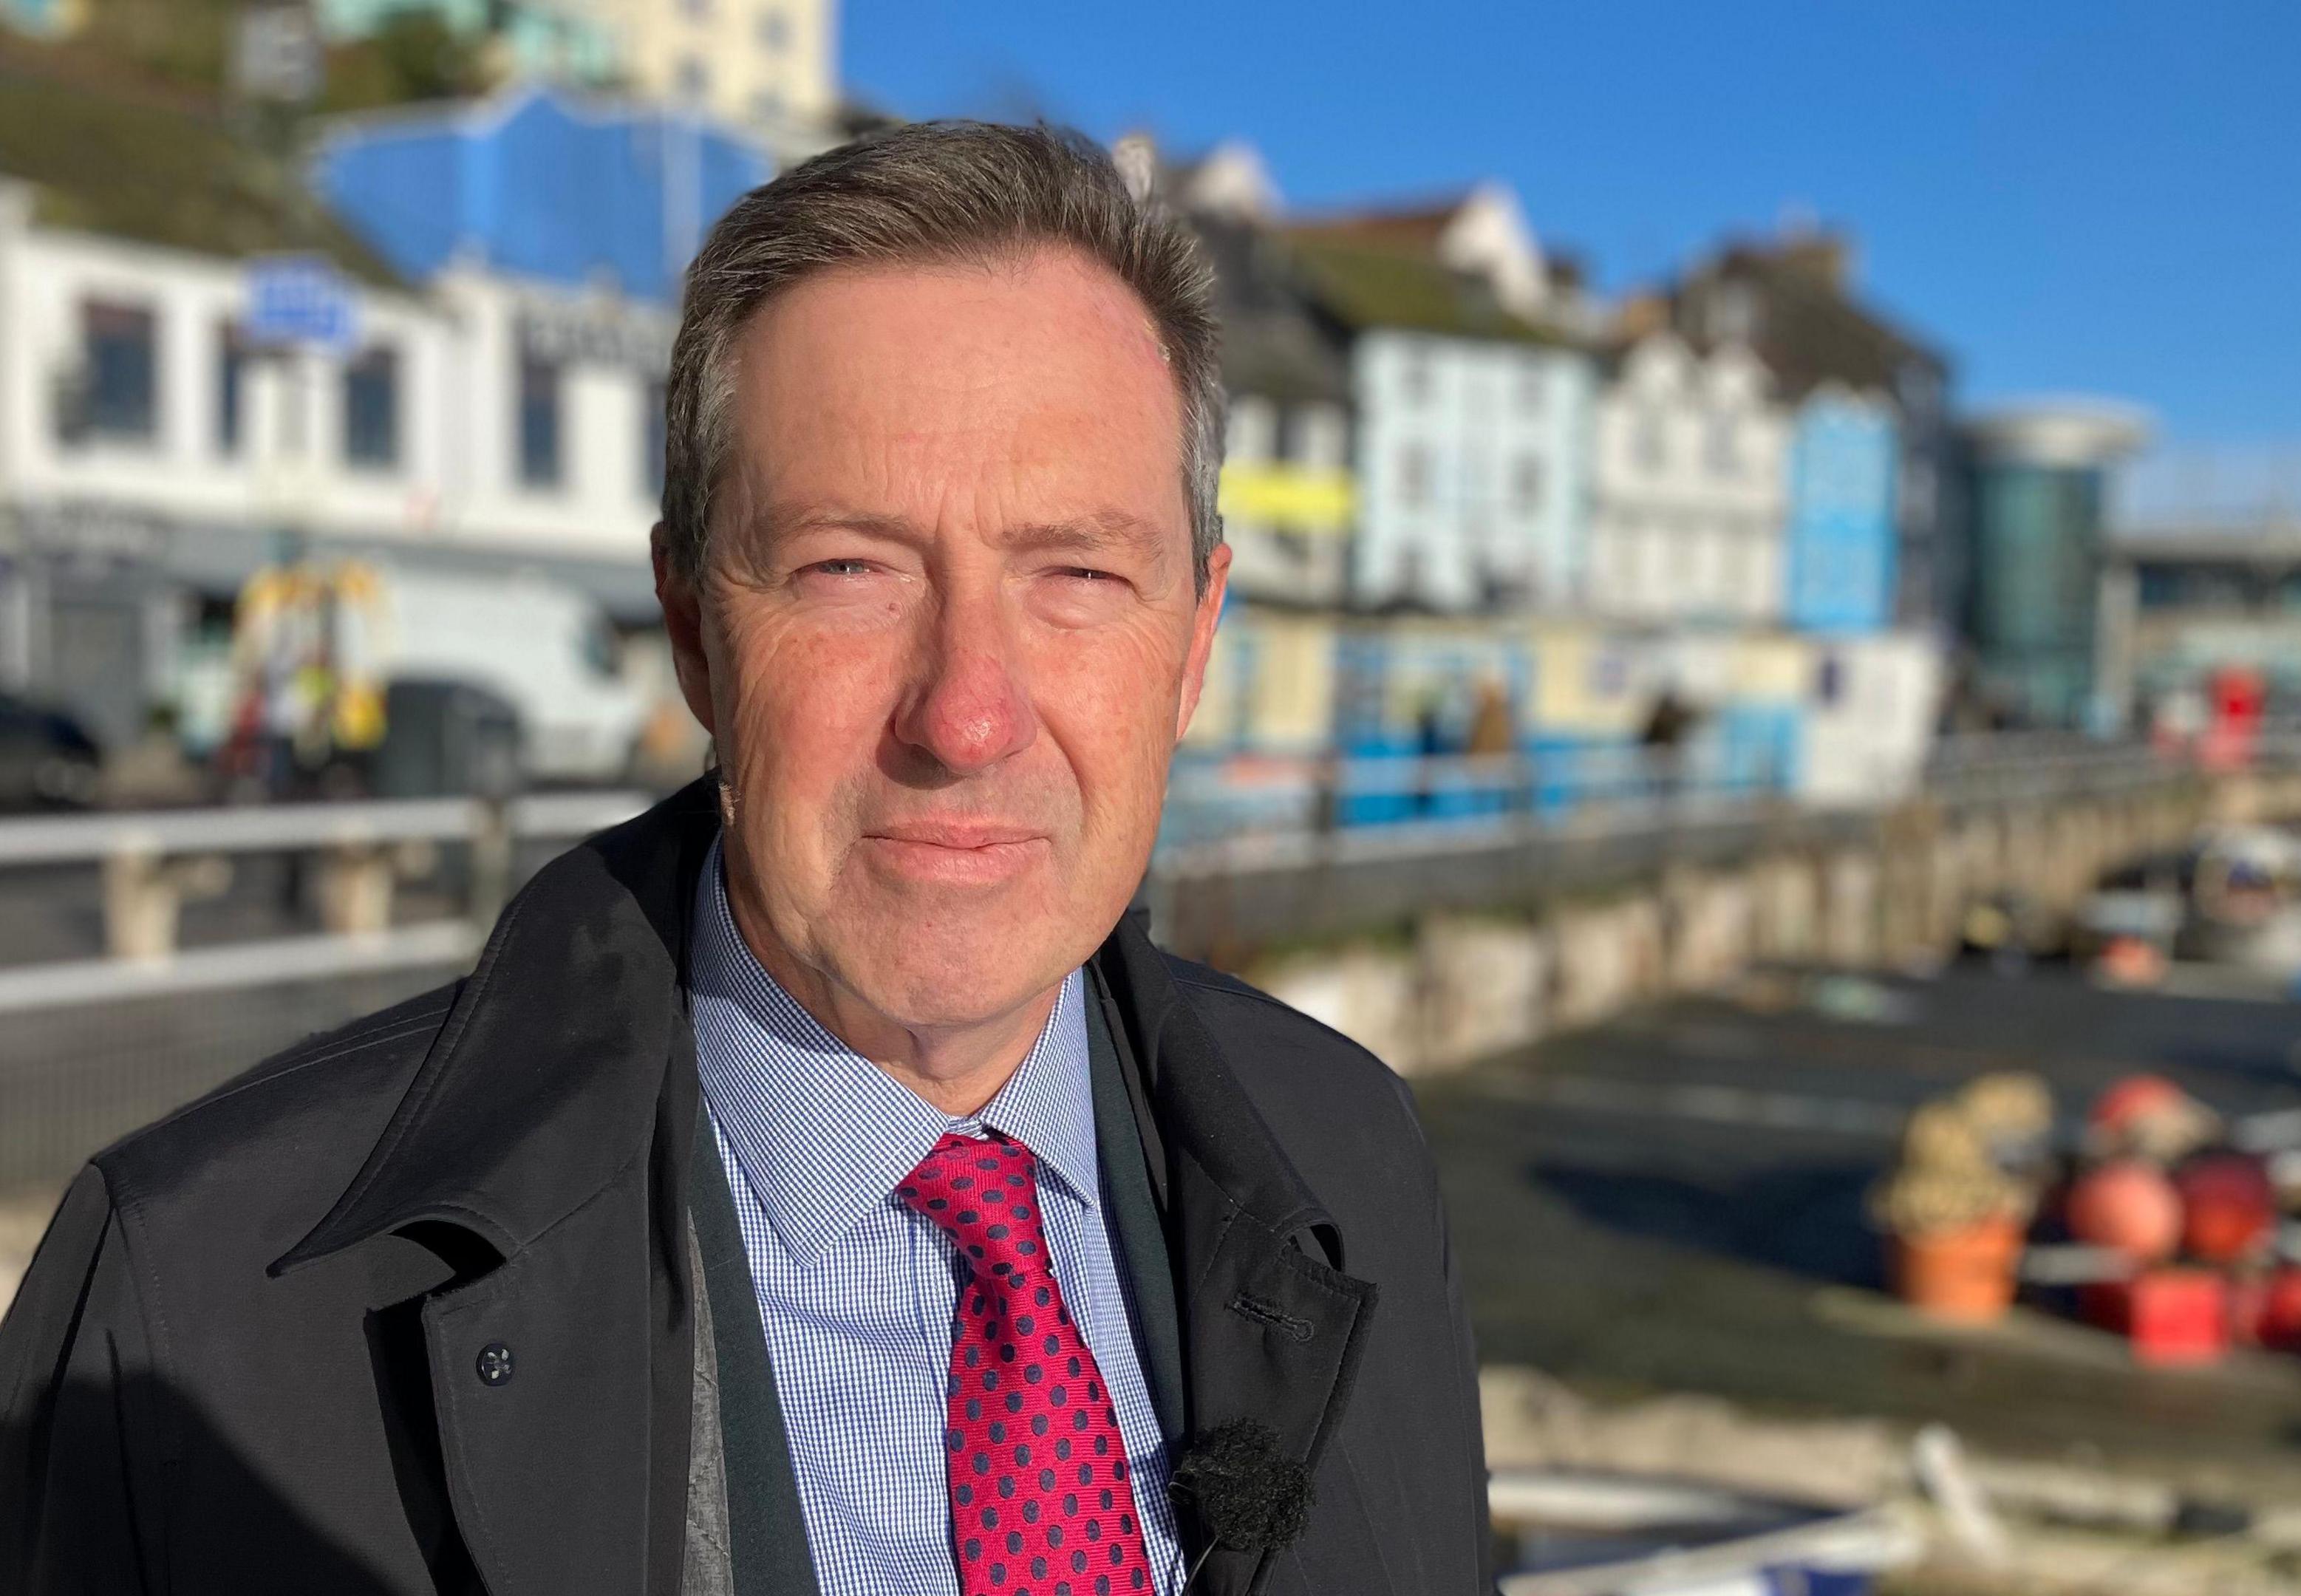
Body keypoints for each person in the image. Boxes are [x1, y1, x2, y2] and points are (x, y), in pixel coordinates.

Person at [0, 123, 1490, 1596]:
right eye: (850, 569)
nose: (966, 716)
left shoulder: (1351, 1159)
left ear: (1195, 644)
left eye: (1080, 575)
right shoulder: (207, 1305)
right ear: (699, 631)